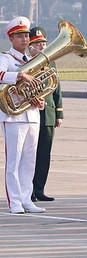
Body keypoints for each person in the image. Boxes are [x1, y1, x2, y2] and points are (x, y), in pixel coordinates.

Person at [0, 17, 45, 214]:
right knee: (14, 160)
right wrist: (19, 75)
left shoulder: (34, 60)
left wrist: (40, 100)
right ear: (11, 38)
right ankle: (15, 202)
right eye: (19, 36)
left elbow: (41, 85)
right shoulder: (6, 58)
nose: (25, 39)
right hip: (13, 116)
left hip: (32, 114)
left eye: (26, 35)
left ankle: (27, 199)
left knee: (29, 160)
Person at [26, 27, 62, 202]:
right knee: (30, 154)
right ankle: (28, 190)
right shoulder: (25, 63)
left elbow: (56, 89)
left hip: (47, 113)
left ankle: (39, 189)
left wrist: (59, 113)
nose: (42, 47)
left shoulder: (51, 63)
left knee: (44, 154)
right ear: (30, 46)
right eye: (37, 44)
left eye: (43, 43)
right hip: (29, 113)